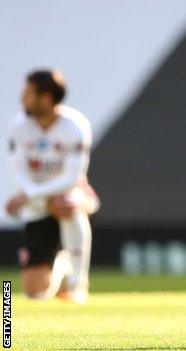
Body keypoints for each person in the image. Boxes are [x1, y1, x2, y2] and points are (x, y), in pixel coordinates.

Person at [5, 69, 100, 303]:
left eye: (28, 93)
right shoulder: (19, 126)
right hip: (36, 203)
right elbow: (19, 173)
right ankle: (64, 265)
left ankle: (78, 287)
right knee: (35, 293)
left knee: (69, 204)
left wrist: (30, 195)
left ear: (46, 98)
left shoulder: (75, 125)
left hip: (70, 195)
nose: (22, 99)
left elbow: (70, 178)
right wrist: (37, 197)